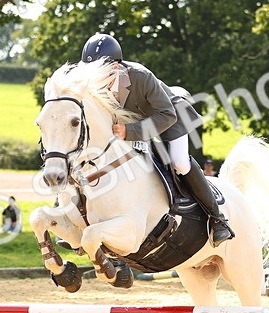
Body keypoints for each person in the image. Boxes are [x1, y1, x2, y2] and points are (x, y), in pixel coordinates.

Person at [82, 33, 233, 246]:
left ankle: (217, 219)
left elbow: (167, 115)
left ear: (116, 66)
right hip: (136, 124)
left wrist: (129, 131)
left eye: (101, 72)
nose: (95, 78)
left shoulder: (140, 76)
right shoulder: (94, 85)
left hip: (171, 117)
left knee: (179, 162)